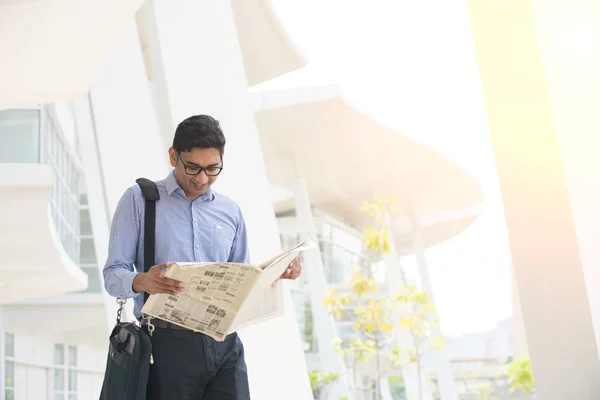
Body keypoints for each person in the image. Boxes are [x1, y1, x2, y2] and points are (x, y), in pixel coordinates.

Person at [103, 114, 303, 400]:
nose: (201, 179)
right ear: (174, 157)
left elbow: (240, 279)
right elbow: (112, 274)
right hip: (167, 345)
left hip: (225, 345)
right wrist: (143, 280)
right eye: (193, 168)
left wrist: (276, 271)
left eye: (212, 169)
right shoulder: (140, 200)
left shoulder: (230, 211)